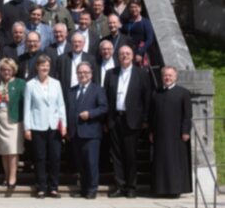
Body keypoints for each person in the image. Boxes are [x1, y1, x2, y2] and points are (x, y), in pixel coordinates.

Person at [104, 45, 151, 198]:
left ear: (132, 56)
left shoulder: (141, 73)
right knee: (116, 155)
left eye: (127, 53)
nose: (124, 56)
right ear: (118, 56)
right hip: (114, 118)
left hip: (132, 120)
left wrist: (145, 119)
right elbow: (106, 98)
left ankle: (131, 187)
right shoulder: (111, 74)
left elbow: (147, 97)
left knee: (130, 155)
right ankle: (119, 186)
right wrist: (106, 120)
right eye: (122, 54)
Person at [24, 55, 67, 198]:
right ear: (37, 67)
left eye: (47, 65)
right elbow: (27, 108)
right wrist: (27, 128)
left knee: (55, 157)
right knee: (40, 158)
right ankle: (41, 187)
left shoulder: (56, 83)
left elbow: (61, 105)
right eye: (42, 65)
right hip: (37, 126)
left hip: (54, 126)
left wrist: (64, 125)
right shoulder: (30, 84)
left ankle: (53, 187)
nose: (45, 68)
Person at [149, 66, 192, 198]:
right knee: (160, 162)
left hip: (176, 135)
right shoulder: (156, 93)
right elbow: (152, 115)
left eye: (170, 75)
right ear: (161, 77)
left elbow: (187, 114)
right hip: (160, 134)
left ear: (175, 77)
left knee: (175, 162)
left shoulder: (183, 93)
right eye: (165, 75)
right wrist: (151, 131)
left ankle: (175, 189)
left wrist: (185, 131)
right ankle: (161, 189)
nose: (167, 78)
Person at [67, 62, 108, 199]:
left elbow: (104, 108)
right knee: (81, 164)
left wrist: (90, 114)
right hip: (75, 133)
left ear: (91, 74)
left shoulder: (98, 89)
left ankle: (92, 189)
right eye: (80, 72)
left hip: (91, 133)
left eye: (85, 72)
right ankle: (83, 188)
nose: (83, 75)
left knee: (91, 163)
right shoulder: (71, 91)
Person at [0, 58, 25, 189]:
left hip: (14, 120)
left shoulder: (20, 83)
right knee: (4, 151)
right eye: (4, 70)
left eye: (9, 70)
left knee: (13, 150)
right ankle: (6, 176)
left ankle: (13, 177)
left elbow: (25, 103)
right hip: (0, 120)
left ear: (13, 71)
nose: (6, 72)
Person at [121, 0, 154, 67]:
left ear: (140, 8)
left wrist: (140, 52)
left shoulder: (145, 22)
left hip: (140, 51)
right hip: (128, 51)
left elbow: (150, 39)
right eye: (131, 7)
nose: (134, 9)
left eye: (136, 7)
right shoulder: (126, 21)